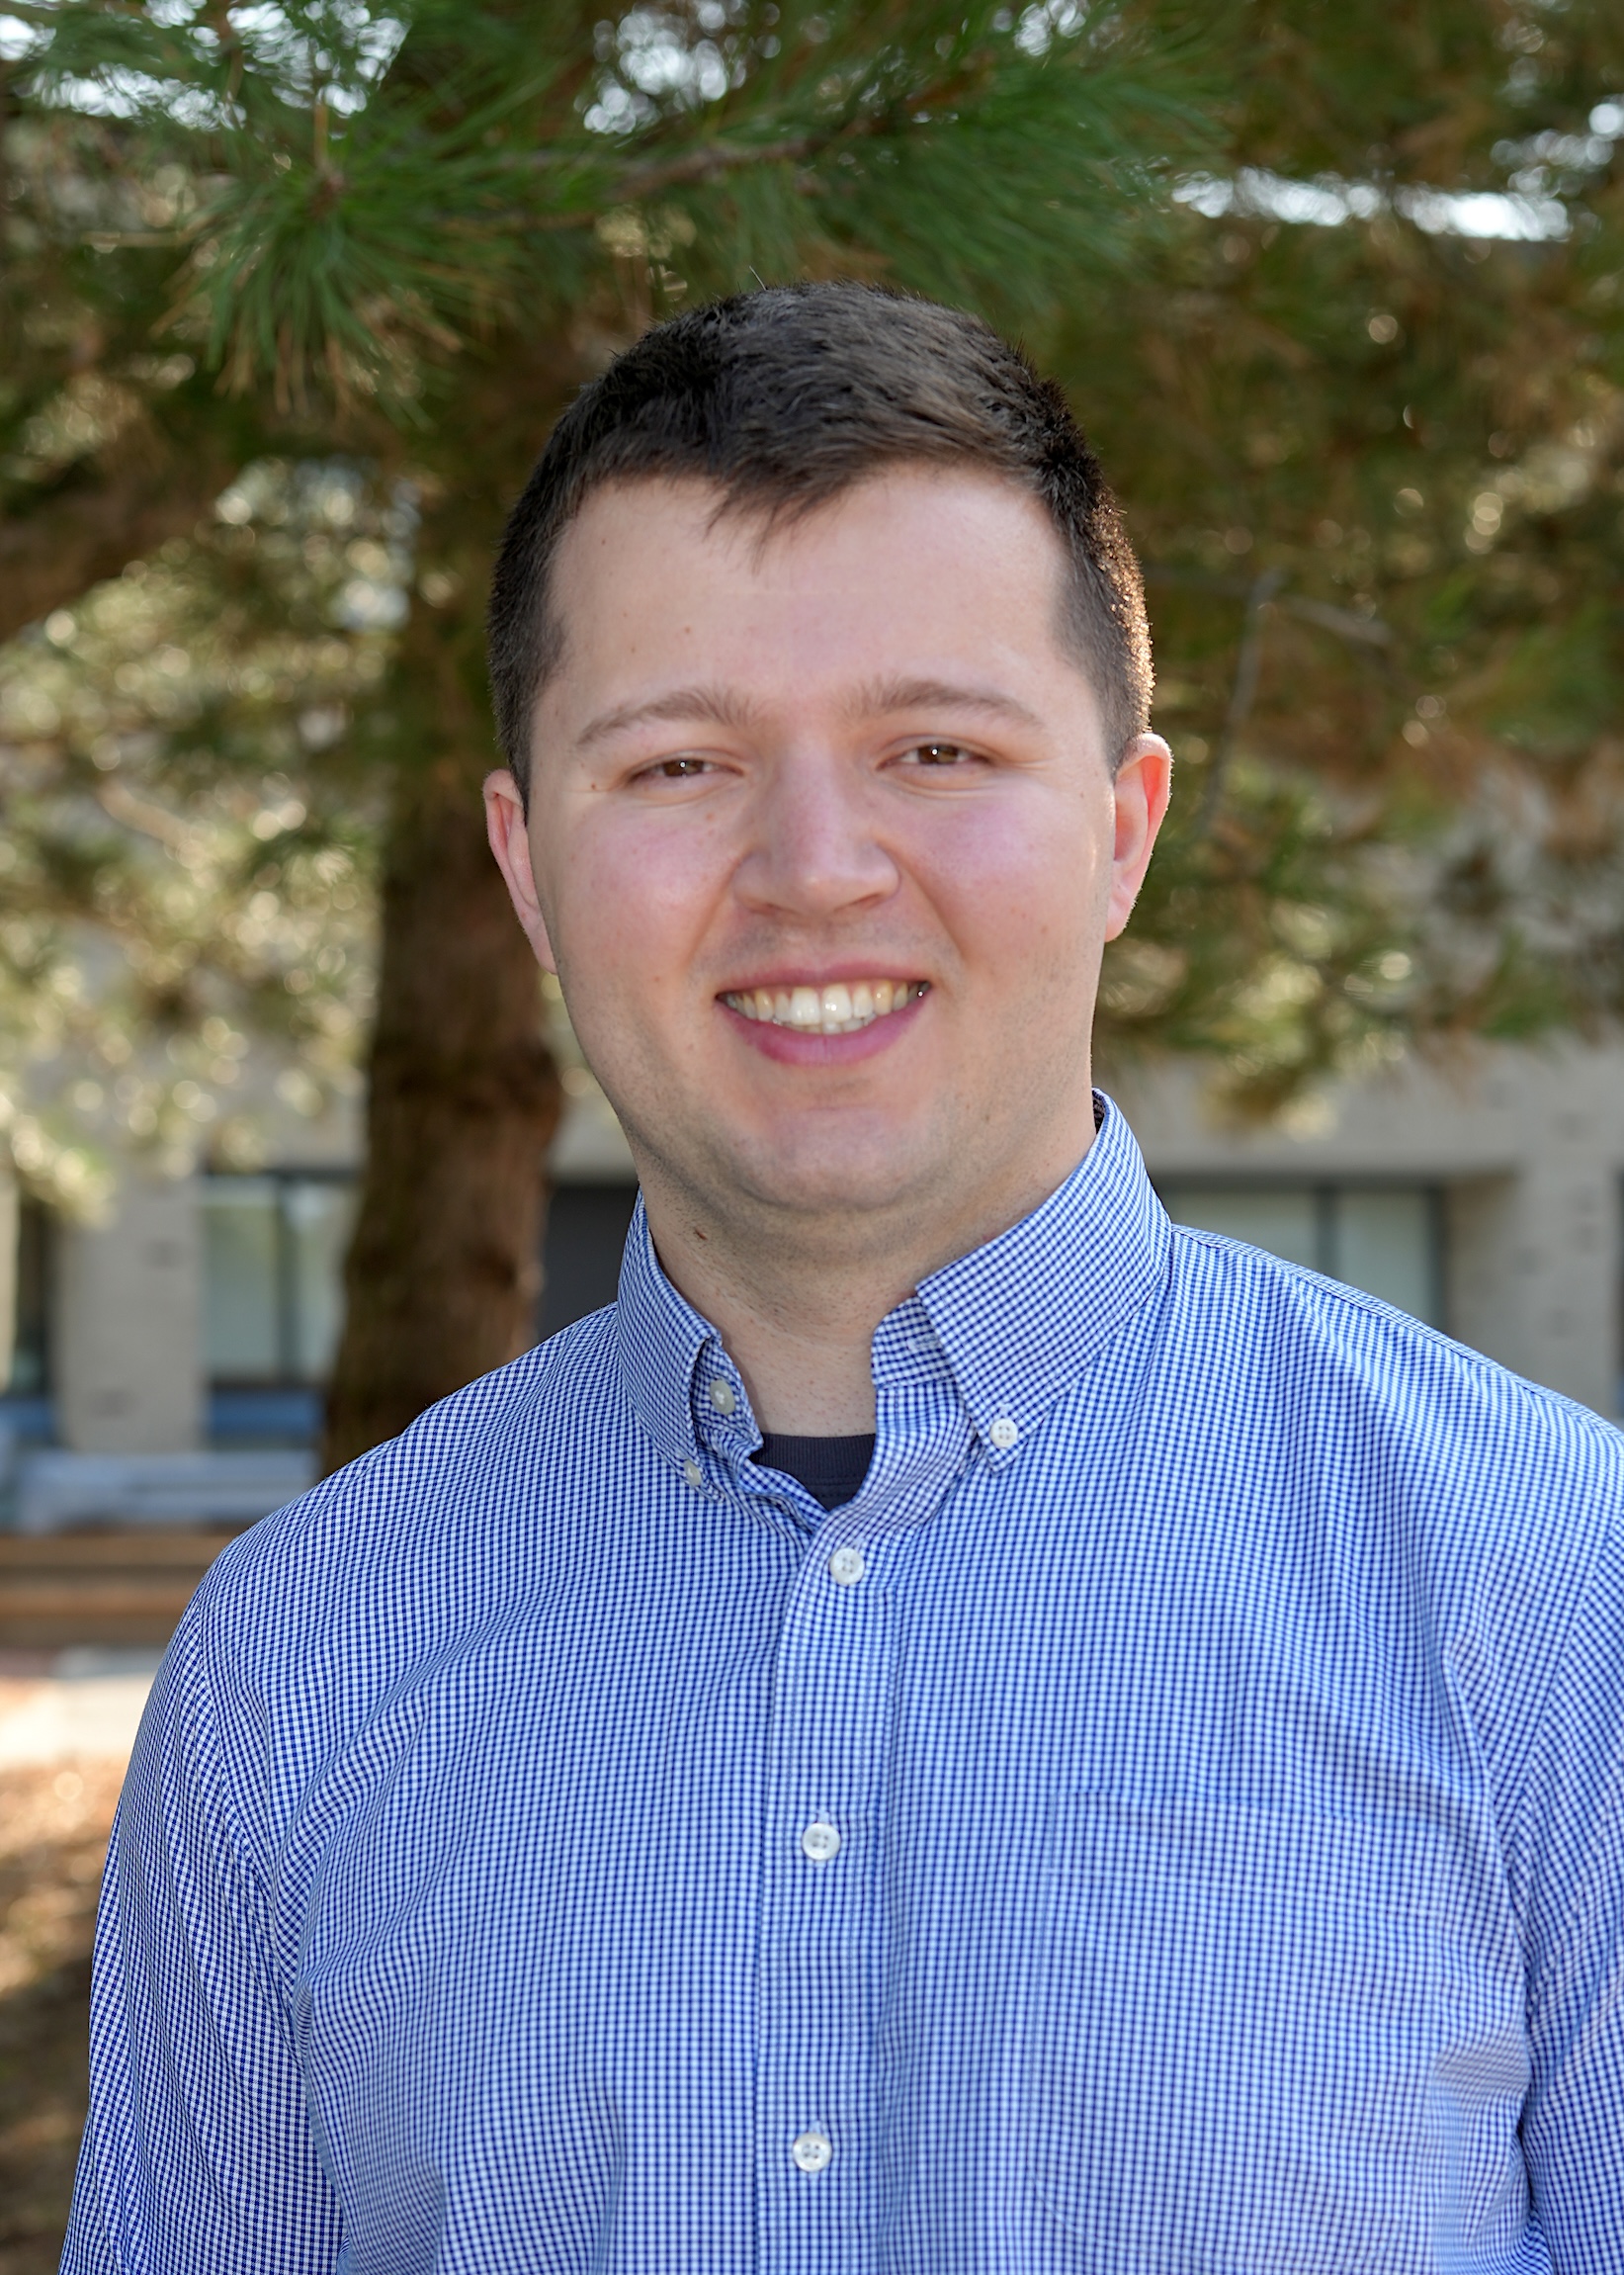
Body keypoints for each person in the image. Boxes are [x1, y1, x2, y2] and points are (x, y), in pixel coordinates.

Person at [64, 285, 1623, 2275]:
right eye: (679, 765)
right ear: (528, 868)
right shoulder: (300, 1660)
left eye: (935, 747)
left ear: (1124, 829)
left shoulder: (1560, 1590)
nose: (815, 867)